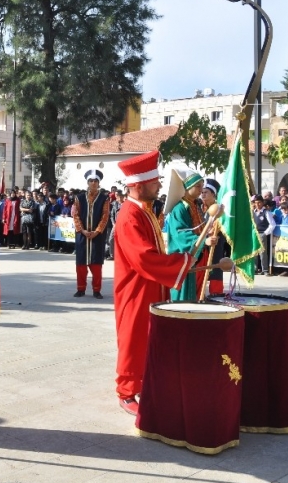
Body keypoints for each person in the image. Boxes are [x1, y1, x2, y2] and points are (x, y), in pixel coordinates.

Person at [112, 151, 196, 416]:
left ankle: (146, 383)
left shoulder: (144, 211)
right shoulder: (129, 216)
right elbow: (143, 257)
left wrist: (181, 261)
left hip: (150, 287)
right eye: (155, 181)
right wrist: (181, 262)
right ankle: (126, 391)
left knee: (148, 337)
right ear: (138, 185)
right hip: (135, 289)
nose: (160, 185)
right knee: (133, 337)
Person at [164, 167, 212, 301]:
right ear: (188, 187)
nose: (201, 190)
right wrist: (203, 241)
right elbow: (180, 234)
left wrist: (207, 237)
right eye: (197, 186)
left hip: (196, 255)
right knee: (182, 293)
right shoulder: (180, 209)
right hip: (183, 257)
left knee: (194, 293)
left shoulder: (196, 206)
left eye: (202, 186)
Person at [73, 170, 109, 298]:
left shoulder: (105, 198)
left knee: (96, 264)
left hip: (97, 236)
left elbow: (105, 216)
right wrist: (82, 230)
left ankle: (96, 290)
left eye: (95, 181)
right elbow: (75, 215)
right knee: (81, 264)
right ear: (87, 182)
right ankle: (81, 289)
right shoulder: (79, 198)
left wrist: (97, 231)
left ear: (99, 183)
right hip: (82, 235)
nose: (93, 183)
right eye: (91, 181)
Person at [200, 178, 227, 296]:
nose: (203, 194)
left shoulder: (219, 209)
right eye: (202, 192)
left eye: (206, 192)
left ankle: (216, 293)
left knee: (215, 267)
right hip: (202, 242)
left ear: (213, 194)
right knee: (201, 268)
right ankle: (199, 293)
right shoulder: (199, 207)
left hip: (216, 242)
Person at [252, 194, 276, 275]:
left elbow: (272, 224)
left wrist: (265, 233)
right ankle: (255, 268)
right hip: (255, 233)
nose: (257, 204)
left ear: (262, 203)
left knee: (263, 253)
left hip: (262, 233)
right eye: (256, 203)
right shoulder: (253, 212)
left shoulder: (266, 212)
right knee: (255, 252)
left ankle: (265, 269)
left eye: (259, 202)